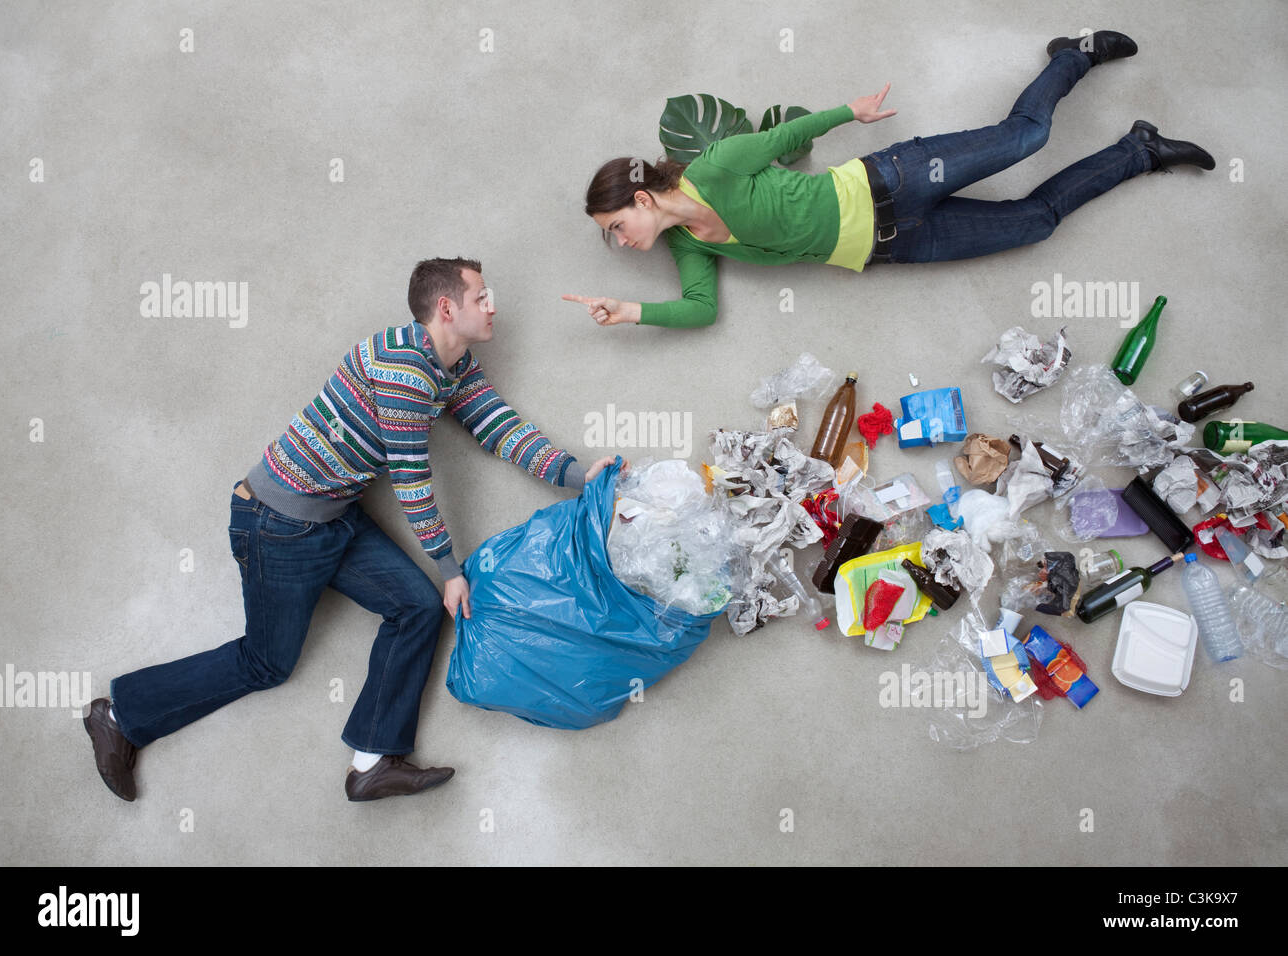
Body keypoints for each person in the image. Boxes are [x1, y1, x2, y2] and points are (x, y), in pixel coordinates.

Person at [84, 257, 616, 803]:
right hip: (277, 525)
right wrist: (450, 570)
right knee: (266, 663)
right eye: (481, 297)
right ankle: (119, 714)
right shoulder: (403, 368)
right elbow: (411, 479)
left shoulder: (453, 364)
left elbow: (499, 427)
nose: (493, 305)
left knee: (417, 608)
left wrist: (579, 475)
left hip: (333, 516)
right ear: (446, 308)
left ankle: (371, 764)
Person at [563, 31, 1215, 329]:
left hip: (892, 181)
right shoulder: (690, 246)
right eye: (611, 238)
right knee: (1036, 223)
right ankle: (1140, 150)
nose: (621, 241)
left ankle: (1073, 55)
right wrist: (631, 311)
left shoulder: (713, 169)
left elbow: (781, 139)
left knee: (1028, 137)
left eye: (617, 227)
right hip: (896, 247)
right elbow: (702, 310)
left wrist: (852, 112)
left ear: (642, 197)